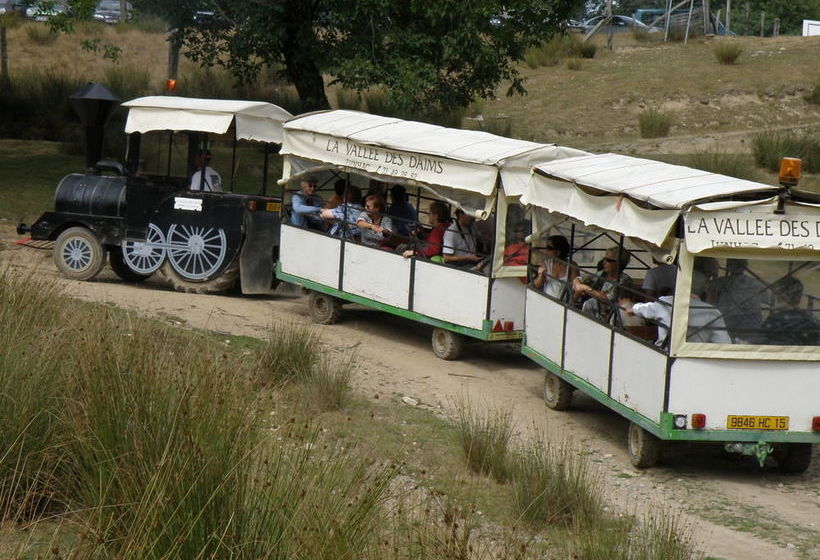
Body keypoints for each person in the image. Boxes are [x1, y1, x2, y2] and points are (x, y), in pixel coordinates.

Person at [709, 259, 765, 340]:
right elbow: (769, 300)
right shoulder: (756, 283)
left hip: (729, 325)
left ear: (728, 267)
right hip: (752, 326)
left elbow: (710, 301)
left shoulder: (719, 282)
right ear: (745, 266)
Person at [572, 246, 632, 320]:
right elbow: (577, 279)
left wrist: (586, 288)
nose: (604, 262)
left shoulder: (624, 280)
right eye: (604, 259)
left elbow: (607, 299)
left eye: (608, 260)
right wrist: (578, 286)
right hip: (596, 314)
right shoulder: (601, 274)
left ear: (619, 263)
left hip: (612, 317)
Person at [756, 277, 819, 346]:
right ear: (799, 297)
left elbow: (759, 342)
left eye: (777, 293)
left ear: (781, 296)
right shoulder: (812, 320)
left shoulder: (775, 319)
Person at [533, 235, 576, 300]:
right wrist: (540, 276)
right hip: (547, 301)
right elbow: (537, 285)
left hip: (564, 303)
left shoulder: (571, 266)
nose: (546, 251)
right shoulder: (546, 263)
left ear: (558, 251)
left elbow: (575, 287)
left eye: (549, 248)